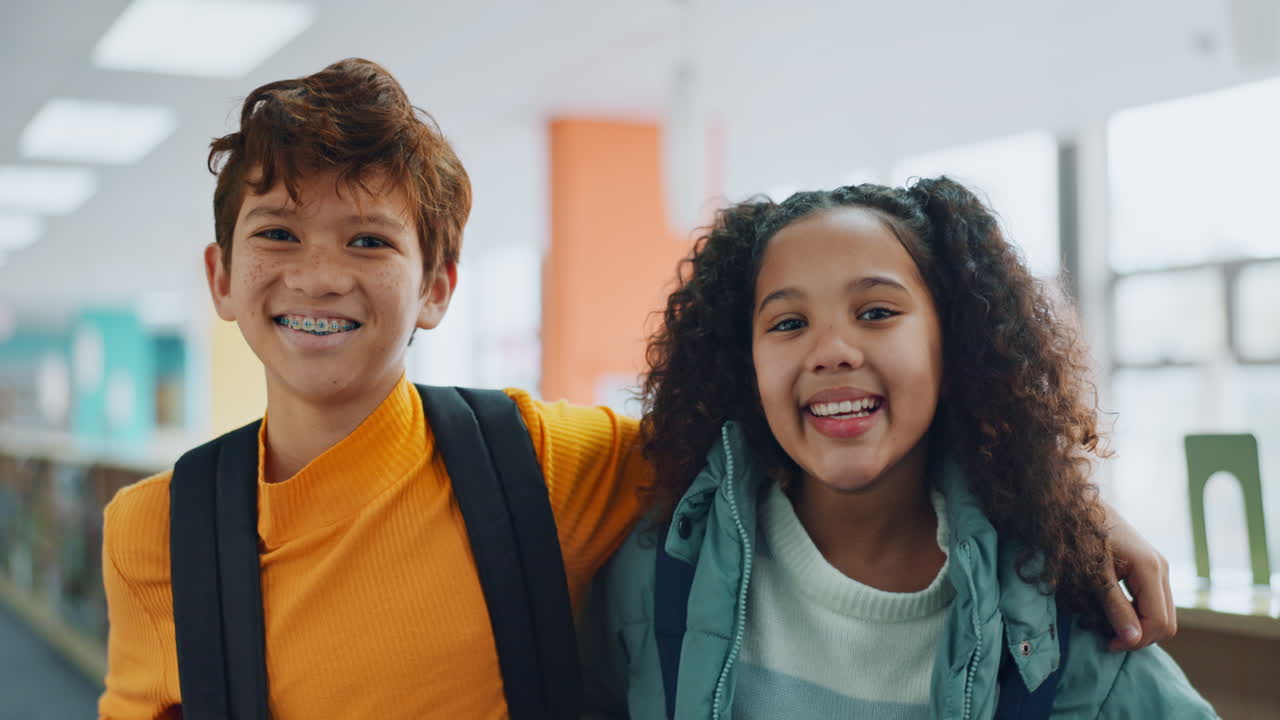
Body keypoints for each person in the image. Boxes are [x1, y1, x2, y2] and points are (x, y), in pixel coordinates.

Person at [99, 58, 1178, 719]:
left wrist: (1063, 505)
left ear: (437, 287)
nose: (320, 273)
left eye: (368, 239)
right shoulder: (155, 533)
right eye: (276, 233)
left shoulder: (532, 462)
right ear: (220, 281)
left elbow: (789, 432)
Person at [582, 180, 1216, 718]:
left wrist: (1066, 516)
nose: (832, 349)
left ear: (955, 343)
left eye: (877, 312)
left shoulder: (1061, 626)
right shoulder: (658, 571)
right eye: (788, 323)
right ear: (745, 361)